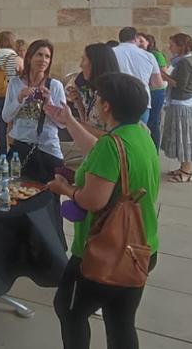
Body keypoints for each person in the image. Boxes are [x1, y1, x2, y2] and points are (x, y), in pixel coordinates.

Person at [44, 72, 160, 348]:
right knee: (121, 322)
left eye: (98, 98)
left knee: (69, 310)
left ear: (107, 106)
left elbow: (92, 201)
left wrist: (65, 190)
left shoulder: (112, 145)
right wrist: (69, 121)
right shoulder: (139, 135)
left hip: (102, 251)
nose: (95, 103)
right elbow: (100, 152)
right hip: (141, 247)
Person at [2, 39, 67, 182]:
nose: (43, 60)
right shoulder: (15, 84)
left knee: (50, 197)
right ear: (30, 57)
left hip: (48, 149)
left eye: (47, 56)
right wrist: (19, 98)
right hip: (21, 148)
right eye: (39, 55)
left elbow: (63, 123)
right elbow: (6, 117)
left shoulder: (55, 86)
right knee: (17, 193)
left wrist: (49, 103)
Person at [161, 33, 192, 183]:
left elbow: (179, 84)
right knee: (181, 137)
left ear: (180, 47)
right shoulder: (182, 61)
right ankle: (183, 168)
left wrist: (162, 74)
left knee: (184, 137)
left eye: (172, 44)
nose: (169, 47)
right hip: (182, 104)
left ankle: (186, 171)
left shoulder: (184, 63)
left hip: (183, 106)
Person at [111, 27, 165, 123]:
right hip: (141, 99)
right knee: (140, 133)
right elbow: (158, 83)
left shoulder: (111, 52)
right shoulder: (148, 56)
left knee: (118, 135)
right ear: (135, 38)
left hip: (117, 99)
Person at [67, 43, 122, 134]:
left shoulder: (114, 96)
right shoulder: (95, 92)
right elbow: (90, 123)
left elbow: (115, 137)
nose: (81, 65)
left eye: (84, 59)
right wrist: (79, 103)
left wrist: (72, 123)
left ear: (95, 63)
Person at [137, 32, 169, 150]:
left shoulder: (155, 55)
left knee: (153, 122)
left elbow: (163, 73)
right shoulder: (138, 55)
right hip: (145, 91)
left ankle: (154, 150)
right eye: (137, 41)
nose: (139, 43)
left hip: (155, 91)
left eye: (141, 41)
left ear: (148, 42)